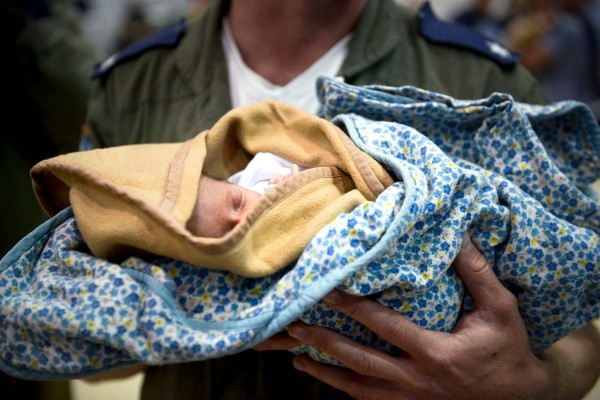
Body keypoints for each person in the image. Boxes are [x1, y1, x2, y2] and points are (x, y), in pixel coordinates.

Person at [83, 1, 600, 399]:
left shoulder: (481, 84)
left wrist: (528, 384)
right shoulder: (132, 86)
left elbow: (579, 330)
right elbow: (79, 317)